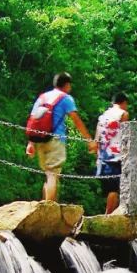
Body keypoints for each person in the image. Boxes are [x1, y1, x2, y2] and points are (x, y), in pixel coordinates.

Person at [25, 73, 96, 202]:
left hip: (39, 139)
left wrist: (30, 143)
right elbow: (76, 120)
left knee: (48, 175)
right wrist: (89, 140)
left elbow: (34, 118)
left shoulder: (43, 97)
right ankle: (48, 210)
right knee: (53, 174)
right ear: (67, 85)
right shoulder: (66, 98)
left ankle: (44, 206)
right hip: (55, 139)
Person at [94, 93, 129, 214]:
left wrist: (97, 154)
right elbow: (125, 136)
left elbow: (97, 137)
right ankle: (108, 216)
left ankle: (109, 215)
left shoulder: (103, 116)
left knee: (109, 189)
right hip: (116, 156)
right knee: (114, 189)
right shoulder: (123, 114)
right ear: (124, 102)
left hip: (103, 155)